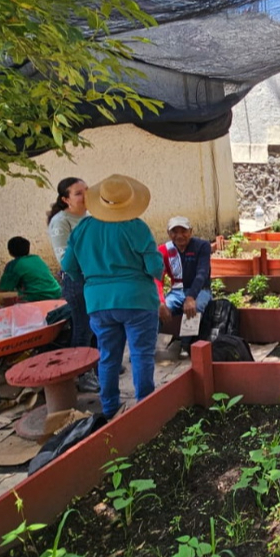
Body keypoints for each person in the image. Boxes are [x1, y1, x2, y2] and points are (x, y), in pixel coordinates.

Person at [61, 174, 164, 418]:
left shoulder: (83, 228)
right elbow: (154, 268)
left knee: (108, 357)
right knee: (140, 355)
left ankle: (109, 409)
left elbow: (69, 266)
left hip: (98, 303)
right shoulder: (136, 226)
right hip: (138, 299)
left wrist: (92, 282)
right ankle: (145, 407)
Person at [47, 177, 93, 349]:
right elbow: (64, 259)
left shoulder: (90, 216)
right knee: (83, 328)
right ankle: (82, 373)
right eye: (79, 193)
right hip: (76, 280)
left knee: (99, 325)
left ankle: (100, 365)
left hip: (95, 278)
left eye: (87, 190)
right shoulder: (60, 221)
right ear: (66, 199)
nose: (86, 195)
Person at [156, 216, 213, 352]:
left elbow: (202, 273)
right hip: (177, 291)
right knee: (154, 312)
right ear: (169, 234)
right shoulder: (164, 250)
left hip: (200, 290)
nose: (179, 236)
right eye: (175, 232)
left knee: (196, 307)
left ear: (191, 231)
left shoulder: (202, 246)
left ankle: (185, 346)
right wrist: (160, 301)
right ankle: (145, 349)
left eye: (184, 231)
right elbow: (157, 278)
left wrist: (191, 297)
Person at [0, 236, 62, 302]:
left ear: (10, 252)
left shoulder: (14, 265)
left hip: (37, 297)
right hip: (57, 293)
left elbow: (2, 292)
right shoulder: (37, 259)